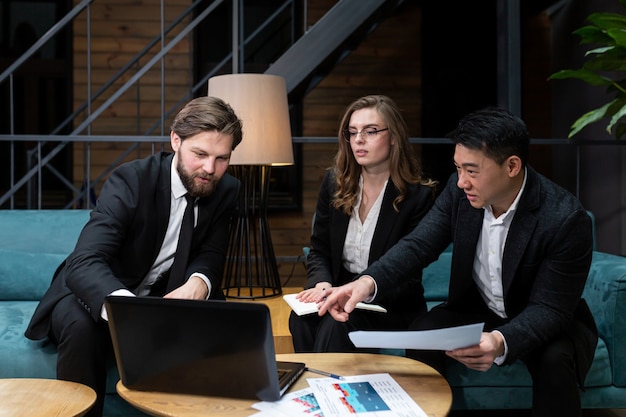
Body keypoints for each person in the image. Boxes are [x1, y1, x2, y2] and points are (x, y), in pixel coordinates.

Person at [319, 107, 598, 416]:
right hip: (476, 308)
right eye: (458, 168)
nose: (461, 181)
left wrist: (500, 341)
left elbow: (550, 309)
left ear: (512, 166)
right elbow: (418, 245)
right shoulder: (458, 191)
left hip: (539, 314)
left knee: (554, 360)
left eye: (472, 170)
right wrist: (365, 283)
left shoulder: (564, 218)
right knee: (422, 333)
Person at [24, 96, 243, 417]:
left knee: (223, 327)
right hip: (96, 296)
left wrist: (199, 284)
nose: (210, 169)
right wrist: (130, 314)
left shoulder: (226, 190)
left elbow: (211, 254)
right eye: (200, 154)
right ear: (175, 140)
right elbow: (84, 262)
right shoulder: (131, 180)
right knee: (82, 327)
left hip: (162, 300)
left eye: (222, 158)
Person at [289, 95, 436, 352]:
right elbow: (319, 250)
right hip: (336, 290)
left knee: (340, 324)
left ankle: (331, 390)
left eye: (371, 131)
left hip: (389, 301)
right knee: (301, 319)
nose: (358, 139)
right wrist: (322, 283)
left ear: (393, 136)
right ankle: (313, 387)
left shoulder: (417, 196)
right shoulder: (335, 183)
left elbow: (409, 276)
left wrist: (359, 292)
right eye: (353, 132)